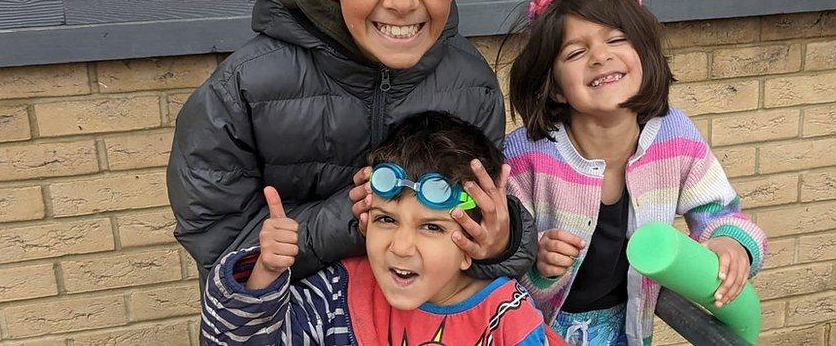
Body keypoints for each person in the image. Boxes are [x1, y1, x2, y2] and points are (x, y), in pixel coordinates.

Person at [166, 0, 536, 289]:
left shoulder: (473, 85)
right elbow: (222, 257)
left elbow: (481, 214)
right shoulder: (241, 93)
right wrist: (351, 215)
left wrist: (502, 242)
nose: (403, 2)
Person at [502, 0, 768, 345]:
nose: (600, 56)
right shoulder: (524, 156)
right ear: (556, 88)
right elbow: (495, 257)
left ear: (644, 55)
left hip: (625, 330)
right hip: (531, 331)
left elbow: (721, 212)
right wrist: (537, 261)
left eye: (616, 39)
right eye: (576, 52)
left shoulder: (675, 137)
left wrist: (729, 244)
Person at [201, 112, 564, 345]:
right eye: (387, 219)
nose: (401, 247)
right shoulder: (336, 294)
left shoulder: (505, 317)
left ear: (472, 241)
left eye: (432, 228)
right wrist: (265, 271)